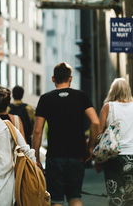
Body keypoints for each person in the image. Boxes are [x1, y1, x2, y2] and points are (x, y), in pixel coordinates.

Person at [32, 62, 100, 206]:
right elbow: (95, 122)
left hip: (54, 156)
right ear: (70, 78)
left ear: (53, 79)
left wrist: (36, 156)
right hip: (77, 155)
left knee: (56, 200)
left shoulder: (45, 99)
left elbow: (37, 131)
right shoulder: (81, 97)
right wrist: (91, 147)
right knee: (75, 198)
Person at [99, 78, 133, 206]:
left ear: (112, 91)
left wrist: (97, 157)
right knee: (131, 200)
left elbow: (99, 134)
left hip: (114, 158)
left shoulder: (108, 107)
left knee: (116, 199)